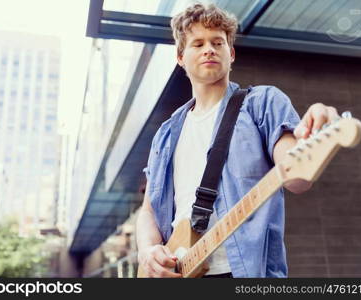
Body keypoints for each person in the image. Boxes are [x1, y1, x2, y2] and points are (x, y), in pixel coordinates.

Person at [136, 3, 339, 278]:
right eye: (198, 43)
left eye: (217, 42)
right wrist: (148, 250)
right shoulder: (165, 133)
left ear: (230, 54)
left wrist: (312, 137)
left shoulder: (263, 103)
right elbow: (148, 209)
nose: (209, 49)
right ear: (181, 57)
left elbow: (298, 179)